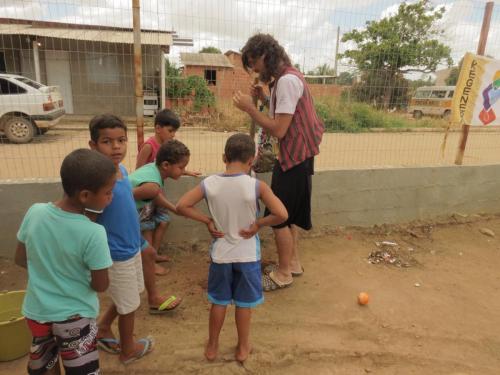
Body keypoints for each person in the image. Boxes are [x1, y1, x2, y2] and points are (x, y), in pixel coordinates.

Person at [176, 133, 288, 362]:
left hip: (221, 255)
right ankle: (243, 346)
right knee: (244, 304)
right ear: (252, 160)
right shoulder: (256, 186)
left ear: (224, 157)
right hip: (247, 255)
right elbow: (281, 214)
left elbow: (181, 206)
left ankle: (213, 345)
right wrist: (258, 223)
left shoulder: (209, 184)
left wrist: (207, 221)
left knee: (219, 302)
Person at [233, 33, 324, 292]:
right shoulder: (286, 80)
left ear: (266, 55)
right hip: (298, 157)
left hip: (294, 159)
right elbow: (284, 115)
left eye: (254, 62)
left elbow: (280, 129)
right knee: (290, 215)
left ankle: (283, 273)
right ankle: (292, 263)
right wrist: (262, 99)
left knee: (278, 217)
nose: (254, 69)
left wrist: (250, 108)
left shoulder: (286, 83)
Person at [14, 148, 115, 375]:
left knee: (46, 365)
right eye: (108, 192)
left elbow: (20, 258)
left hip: (37, 312)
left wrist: (49, 273)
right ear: (85, 196)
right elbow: (101, 285)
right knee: (81, 370)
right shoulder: (93, 233)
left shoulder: (35, 212)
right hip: (75, 319)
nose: (112, 198)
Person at [88, 114, 155, 364]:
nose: (116, 147)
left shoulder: (123, 171)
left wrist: (140, 242)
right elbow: (89, 224)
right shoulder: (96, 185)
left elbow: (126, 210)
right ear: (93, 146)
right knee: (129, 305)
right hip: (116, 254)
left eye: (121, 140)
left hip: (132, 246)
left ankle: (103, 327)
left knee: (131, 295)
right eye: (107, 141)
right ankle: (128, 350)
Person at [129, 139, 190, 313]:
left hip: (126, 217)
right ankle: (152, 298)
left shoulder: (153, 173)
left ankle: (153, 298)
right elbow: (121, 195)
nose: (183, 171)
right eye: (181, 167)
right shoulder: (153, 185)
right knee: (145, 254)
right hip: (120, 219)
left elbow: (154, 194)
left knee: (148, 253)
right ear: (165, 165)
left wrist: (175, 209)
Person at [136, 109, 199, 275]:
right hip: (145, 195)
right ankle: (149, 263)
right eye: (170, 131)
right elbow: (139, 171)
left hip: (155, 192)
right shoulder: (149, 146)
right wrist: (176, 208)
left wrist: (186, 172)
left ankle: (153, 255)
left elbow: (172, 167)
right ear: (158, 128)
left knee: (164, 221)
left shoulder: (166, 149)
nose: (173, 135)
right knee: (148, 228)